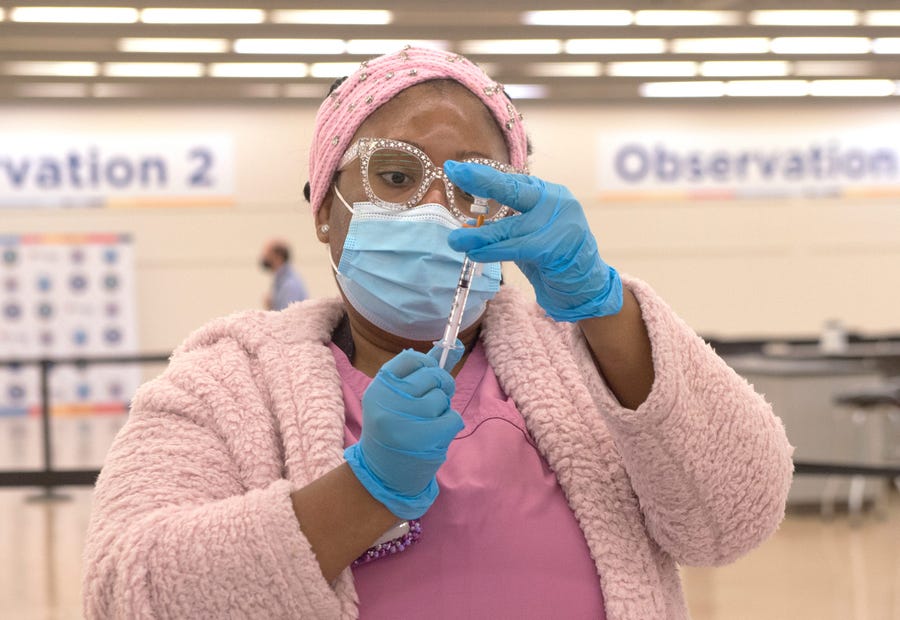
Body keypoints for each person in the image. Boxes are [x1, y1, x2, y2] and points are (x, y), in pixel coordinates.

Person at [83, 47, 793, 619]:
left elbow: (734, 517)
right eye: (394, 177)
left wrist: (605, 309)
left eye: (475, 191)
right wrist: (366, 492)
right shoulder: (223, 387)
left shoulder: (587, 365)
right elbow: (127, 591)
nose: (437, 212)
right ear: (323, 211)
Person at [260, 238, 309, 310]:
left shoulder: (289, 284)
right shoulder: (281, 280)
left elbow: (288, 317)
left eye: (267, 254)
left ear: (278, 256)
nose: (264, 257)